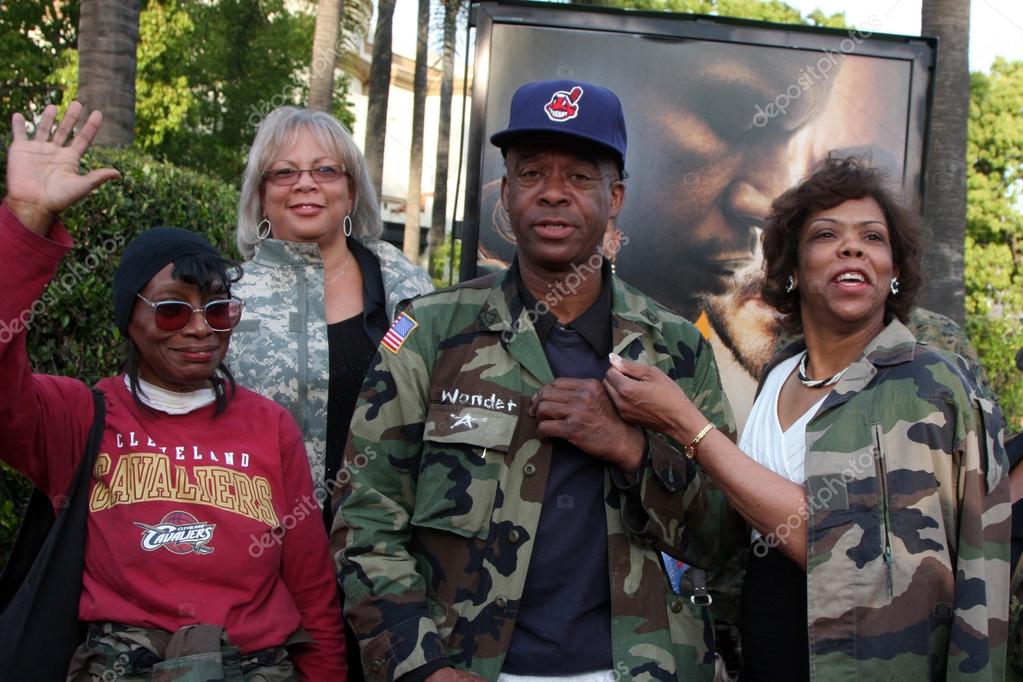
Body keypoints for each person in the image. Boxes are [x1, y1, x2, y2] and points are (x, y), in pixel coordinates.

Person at [332, 79, 739, 682]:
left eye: (579, 176)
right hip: (468, 666)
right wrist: (420, 668)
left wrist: (630, 449)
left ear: (616, 196)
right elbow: (366, 517)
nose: (553, 194)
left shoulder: (675, 348)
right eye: (531, 174)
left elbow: (723, 540)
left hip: (636, 666)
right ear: (505, 191)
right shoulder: (428, 331)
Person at [604, 156, 1011, 680]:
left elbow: (837, 543)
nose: (852, 247)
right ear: (792, 270)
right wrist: (631, 445)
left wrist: (688, 426)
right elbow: (732, 530)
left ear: (894, 272)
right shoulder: (778, 372)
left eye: (873, 237)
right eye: (826, 234)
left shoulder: (930, 383)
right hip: (765, 651)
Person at [0, 102, 345, 679]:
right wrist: (25, 220)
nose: (198, 327)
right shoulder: (81, 417)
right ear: (128, 321)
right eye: (169, 310)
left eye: (217, 309)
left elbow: (311, 590)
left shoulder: (268, 427)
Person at [229, 106, 433, 523]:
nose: (306, 184)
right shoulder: (225, 298)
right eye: (284, 172)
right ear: (261, 195)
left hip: (381, 548)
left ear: (352, 192)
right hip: (258, 541)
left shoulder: (408, 291)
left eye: (325, 170)